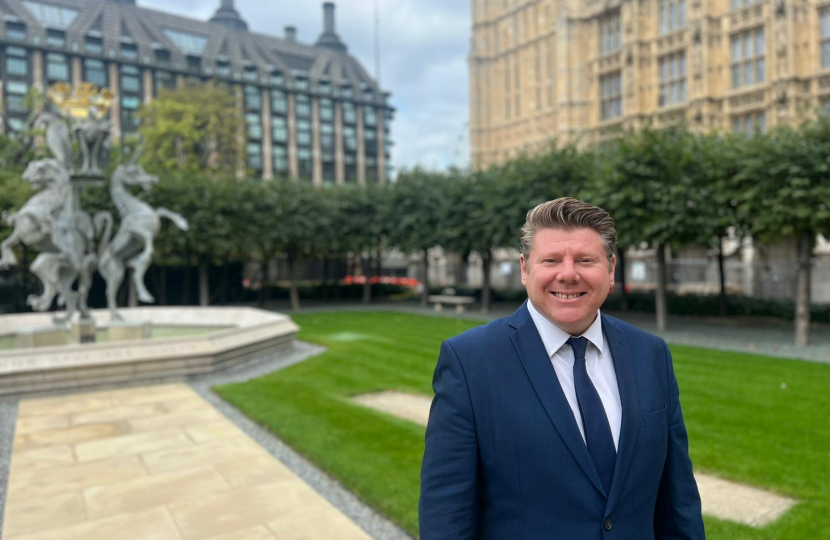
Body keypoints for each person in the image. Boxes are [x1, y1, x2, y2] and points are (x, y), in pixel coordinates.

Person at [419, 197, 705, 540]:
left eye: (585, 260)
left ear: (611, 269)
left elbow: (678, 500)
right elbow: (446, 514)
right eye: (551, 260)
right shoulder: (469, 361)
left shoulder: (651, 353)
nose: (568, 274)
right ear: (525, 269)